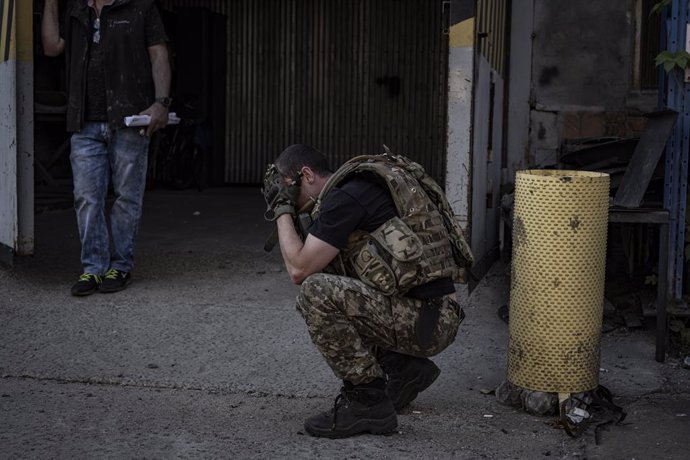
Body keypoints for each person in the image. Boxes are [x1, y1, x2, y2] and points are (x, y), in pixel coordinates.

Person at [263, 144, 469, 439]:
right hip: (433, 314)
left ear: (306, 175)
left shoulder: (344, 198)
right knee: (330, 273)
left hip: (430, 321)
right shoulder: (353, 189)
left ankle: (366, 401)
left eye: (286, 190)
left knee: (316, 293)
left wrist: (281, 211)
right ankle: (404, 369)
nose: (288, 200)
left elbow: (298, 269)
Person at [41, 0, 171, 296]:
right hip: (84, 121)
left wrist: (161, 102)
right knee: (87, 197)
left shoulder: (140, 7)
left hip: (129, 119)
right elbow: (51, 46)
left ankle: (120, 265)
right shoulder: (75, 9)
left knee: (127, 197)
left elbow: (158, 55)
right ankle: (93, 269)